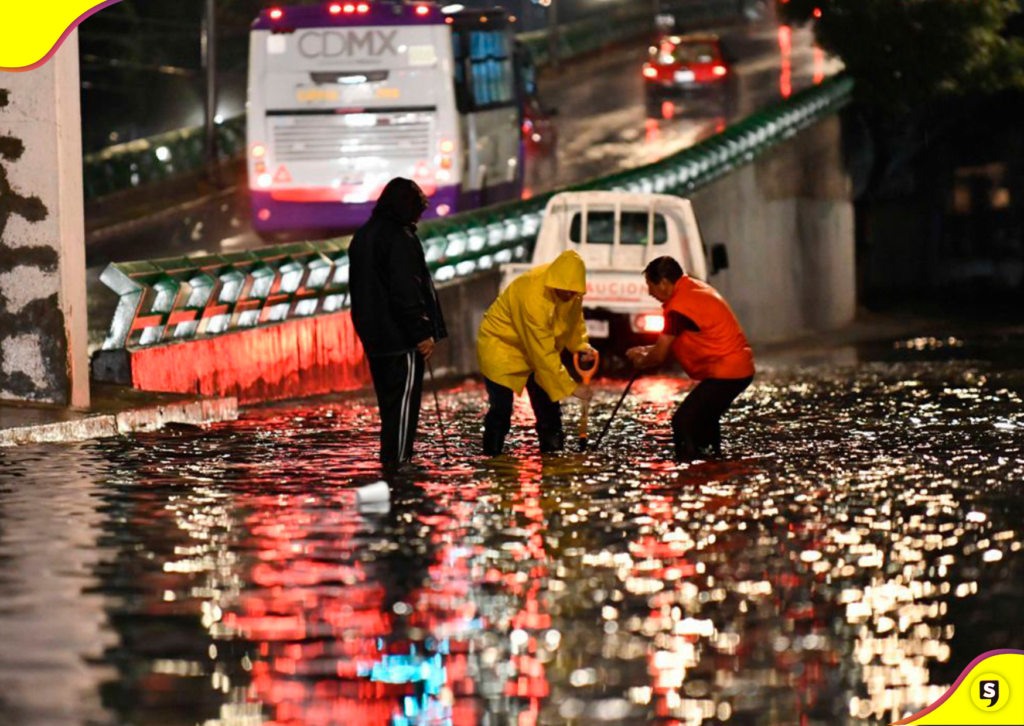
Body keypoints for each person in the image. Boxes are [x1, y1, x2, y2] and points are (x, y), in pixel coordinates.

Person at [348, 178, 447, 467]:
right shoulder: (399, 238)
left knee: (389, 408)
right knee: (403, 408)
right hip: (400, 340)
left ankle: (391, 463)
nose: (419, 217)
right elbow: (405, 292)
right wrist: (422, 333)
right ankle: (398, 467)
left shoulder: (363, 236)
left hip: (374, 338)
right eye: (417, 209)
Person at [626, 256, 754, 461]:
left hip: (727, 372)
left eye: (651, 286)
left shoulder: (679, 308)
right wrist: (643, 350)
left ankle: (689, 469)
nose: (650, 293)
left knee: (684, 421)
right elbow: (669, 343)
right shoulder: (693, 289)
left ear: (665, 283)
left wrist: (642, 360)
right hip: (737, 369)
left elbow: (659, 355)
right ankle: (713, 465)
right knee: (704, 419)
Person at [477, 250, 597, 456]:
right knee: (501, 410)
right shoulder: (532, 294)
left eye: (573, 292)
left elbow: (574, 321)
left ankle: (553, 460)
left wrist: (581, 346)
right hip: (502, 347)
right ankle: (492, 459)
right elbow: (542, 352)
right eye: (565, 291)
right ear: (555, 283)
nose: (570, 295)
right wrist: (572, 388)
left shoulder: (572, 292)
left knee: (549, 410)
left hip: (537, 352)